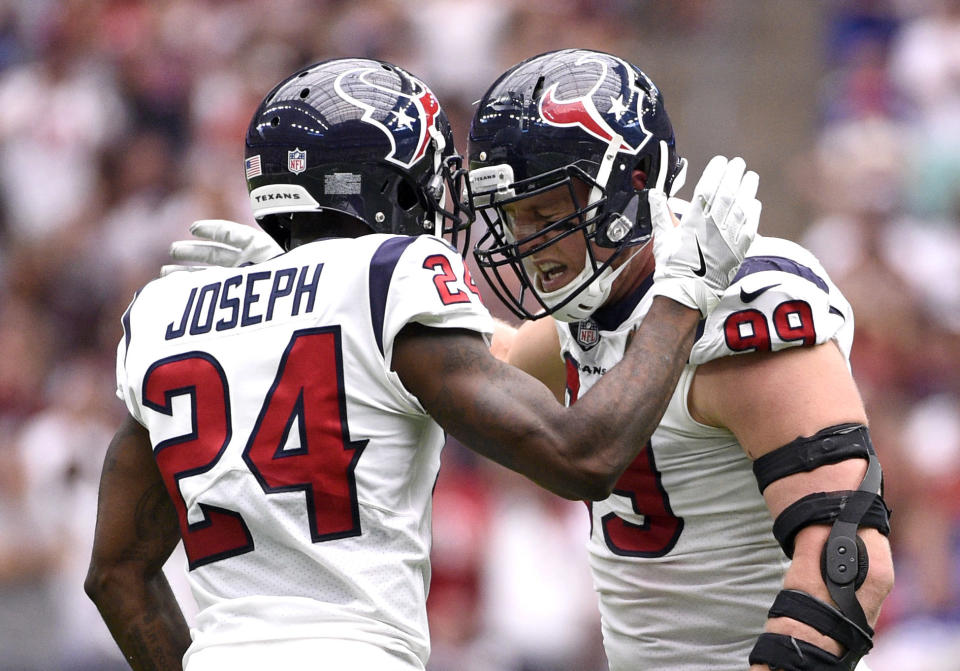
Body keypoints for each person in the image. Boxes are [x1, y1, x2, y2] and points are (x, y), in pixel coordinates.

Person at [85, 56, 760, 671]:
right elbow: (585, 455)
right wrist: (684, 293)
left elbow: (115, 573)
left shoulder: (165, 311)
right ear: (391, 187)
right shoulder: (391, 273)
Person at [465, 49, 894, 671]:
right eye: (511, 216)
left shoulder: (744, 302)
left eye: (547, 210)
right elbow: (493, 361)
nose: (526, 240)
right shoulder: (591, 306)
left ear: (633, 182)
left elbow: (847, 561)